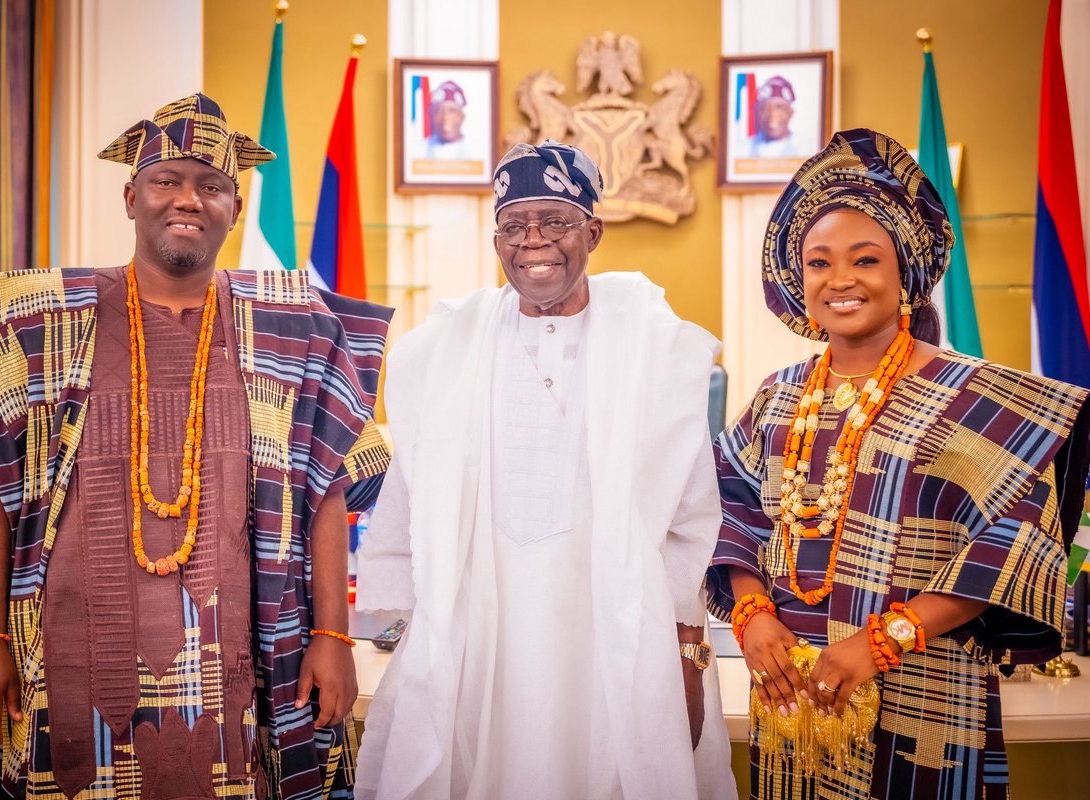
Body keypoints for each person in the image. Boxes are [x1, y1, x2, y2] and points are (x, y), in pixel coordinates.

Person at [0, 93, 392, 800]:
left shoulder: (292, 327)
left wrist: (333, 636)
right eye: (167, 180)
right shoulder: (39, 322)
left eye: (212, 185)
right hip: (69, 655)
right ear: (132, 197)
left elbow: (326, 492)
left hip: (248, 664)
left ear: (235, 207)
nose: (188, 199)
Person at [707, 128, 1090, 800]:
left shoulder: (974, 396)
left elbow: (1012, 545)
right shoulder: (777, 397)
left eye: (865, 259)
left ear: (905, 273)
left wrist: (880, 643)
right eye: (819, 262)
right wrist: (752, 613)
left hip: (927, 695)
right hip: (794, 698)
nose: (840, 280)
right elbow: (727, 507)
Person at [354, 140, 735, 799]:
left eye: (555, 221)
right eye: (513, 225)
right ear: (495, 239)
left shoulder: (657, 348)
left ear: (594, 231)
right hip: (481, 638)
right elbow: (414, 499)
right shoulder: (443, 348)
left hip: (615, 636)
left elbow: (691, 518)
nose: (533, 241)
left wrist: (687, 653)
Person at [745, 75, 803, 158]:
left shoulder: (806, 148)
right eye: (765, 108)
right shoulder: (742, 149)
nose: (772, 114)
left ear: (790, 112)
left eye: (779, 107)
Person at [422, 80, 472, 159]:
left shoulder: (477, 151)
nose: (445, 117)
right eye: (439, 111)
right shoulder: (418, 150)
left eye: (452, 111)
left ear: (462, 117)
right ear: (432, 116)